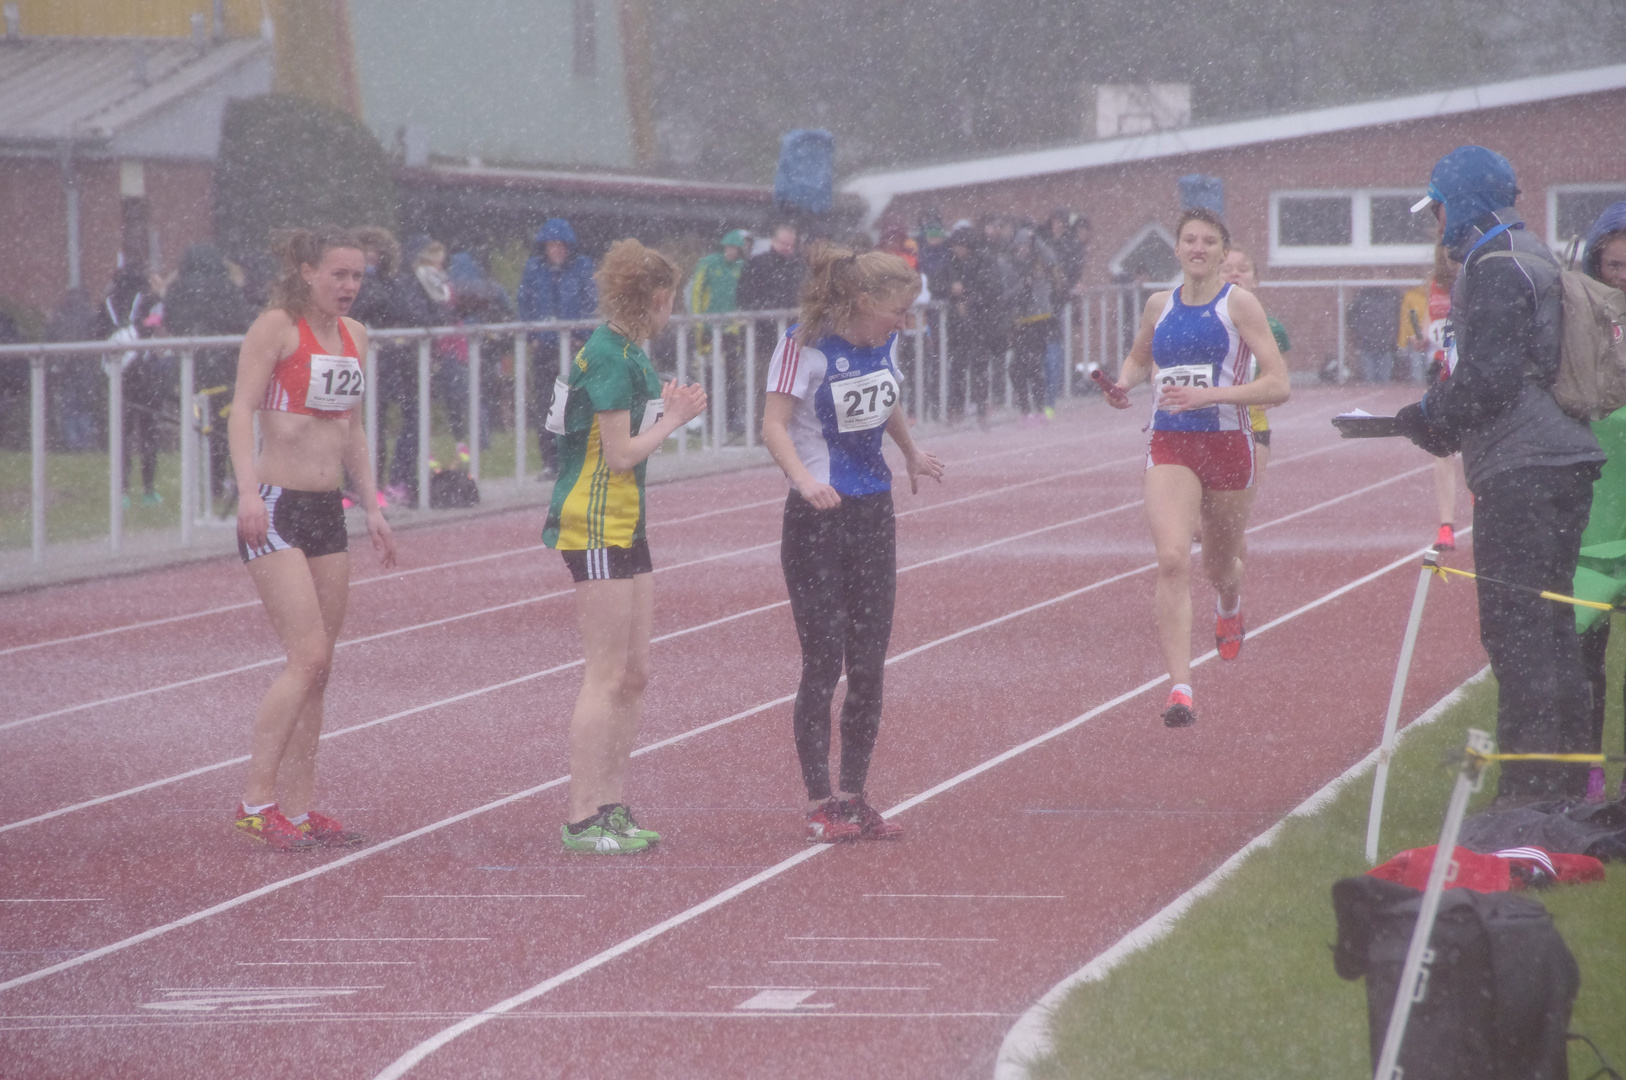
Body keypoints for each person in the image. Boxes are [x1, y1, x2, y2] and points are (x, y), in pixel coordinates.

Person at [1392, 146, 1605, 803]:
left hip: (1527, 467)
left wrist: (1430, 416)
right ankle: (1563, 785)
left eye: (1440, 209)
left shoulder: (1495, 263)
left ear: (1462, 203)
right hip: (1555, 463)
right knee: (1548, 629)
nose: (1437, 226)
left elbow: (1492, 376)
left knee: (1518, 632)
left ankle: (1530, 794)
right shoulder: (1527, 249)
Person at [760, 244, 945, 842]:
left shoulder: (884, 344)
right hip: (818, 517)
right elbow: (773, 424)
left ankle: (854, 795)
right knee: (823, 662)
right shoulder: (802, 346)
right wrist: (804, 480)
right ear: (864, 301)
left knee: (868, 664)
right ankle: (819, 802)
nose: (906, 321)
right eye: (899, 309)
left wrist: (910, 450)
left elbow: (885, 399)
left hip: (872, 512)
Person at [227, 225, 395, 851]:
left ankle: (297, 811)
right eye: (338, 275)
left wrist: (373, 505)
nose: (349, 287)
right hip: (273, 506)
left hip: (328, 510)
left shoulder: (356, 337)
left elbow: (350, 427)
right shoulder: (276, 327)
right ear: (306, 271)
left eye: (357, 276)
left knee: (322, 669)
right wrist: (247, 492)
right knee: (308, 658)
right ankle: (255, 799)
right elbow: (241, 409)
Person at [543, 239, 708, 854]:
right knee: (605, 673)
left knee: (635, 674)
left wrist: (660, 410)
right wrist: (673, 419)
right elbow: (619, 456)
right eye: (673, 300)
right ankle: (582, 816)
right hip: (593, 523)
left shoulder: (628, 352)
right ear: (658, 298)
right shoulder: (609, 356)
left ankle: (611, 805)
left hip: (627, 523)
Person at [1106, 208, 1289, 728]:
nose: (1198, 248)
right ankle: (1180, 688)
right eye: (1190, 240)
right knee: (1170, 559)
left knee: (1218, 566)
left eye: (1209, 241)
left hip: (1230, 443)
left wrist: (1210, 394)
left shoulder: (1240, 305)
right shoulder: (1159, 304)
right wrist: (1123, 384)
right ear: (1178, 248)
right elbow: (1141, 360)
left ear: (1222, 251)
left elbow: (1279, 384)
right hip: (1171, 443)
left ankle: (1230, 601)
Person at [1572, 200, 1626, 801]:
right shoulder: (1578, 316)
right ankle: (1586, 774)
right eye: (1614, 264)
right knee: (1584, 651)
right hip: (1593, 511)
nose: (1623, 276)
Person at [163, 243, 255, 504]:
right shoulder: (227, 289)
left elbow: (170, 322)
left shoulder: (177, 289)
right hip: (223, 367)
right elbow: (239, 321)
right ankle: (221, 480)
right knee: (223, 424)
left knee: (196, 423)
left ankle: (197, 483)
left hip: (190, 366)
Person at [519, 218, 598, 480]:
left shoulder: (582, 268)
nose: (557, 250)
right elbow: (524, 303)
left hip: (575, 348)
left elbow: (591, 302)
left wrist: (581, 336)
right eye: (552, 245)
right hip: (546, 348)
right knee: (545, 404)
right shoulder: (534, 269)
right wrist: (533, 336)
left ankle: (576, 458)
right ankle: (550, 462)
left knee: (576, 403)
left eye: (561, 245)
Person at [1398, 242, 1465, 550]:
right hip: (1439, 372)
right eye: (1444, 251)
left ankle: (1484, 504)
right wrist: (1419, 340)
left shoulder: (1478, 275)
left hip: (1469, 372)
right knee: (1442, 449)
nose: (1448, 257)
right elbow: (1427, 332)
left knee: (1477, 443)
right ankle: (1446, 525)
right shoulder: (1436, 285)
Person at [1219, 247, 1290, 477]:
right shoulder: (1201, 323)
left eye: (1243, 269)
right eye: (1226, 269)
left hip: (1252, 427)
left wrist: (1273, 393)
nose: (1235, 274)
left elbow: (1281, 379)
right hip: (1206, 429)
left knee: (1240, 509)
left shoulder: (1272, 329)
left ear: (1256, 279)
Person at [1008, 227, 1061, 424]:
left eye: (1026, 246)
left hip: (1039, 321)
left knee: (1033, 365)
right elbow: (1006, 293)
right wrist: (1023, 285)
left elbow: (1051, 259)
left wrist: (1036, 240)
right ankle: (1027, 409)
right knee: (1017, 368)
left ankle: (1037, 409)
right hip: (1020, 322)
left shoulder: (1041, 264)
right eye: (1020, 245)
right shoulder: (1012, 265)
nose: (1023, 250)